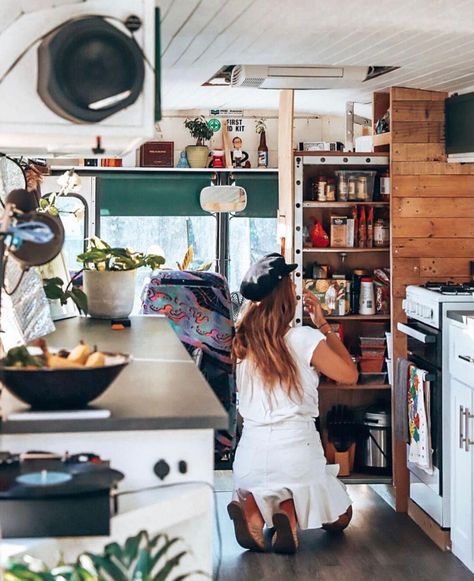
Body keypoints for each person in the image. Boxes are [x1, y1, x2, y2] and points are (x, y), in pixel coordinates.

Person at [227, 253, 358, 553]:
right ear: (285, 296)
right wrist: (324, 326)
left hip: (249, 458)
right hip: (298, 455)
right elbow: (350, 374)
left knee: (270, 489)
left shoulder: (243, 342)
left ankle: (253, 513)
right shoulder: (303, 338)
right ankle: (288, 514)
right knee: (341, 517)